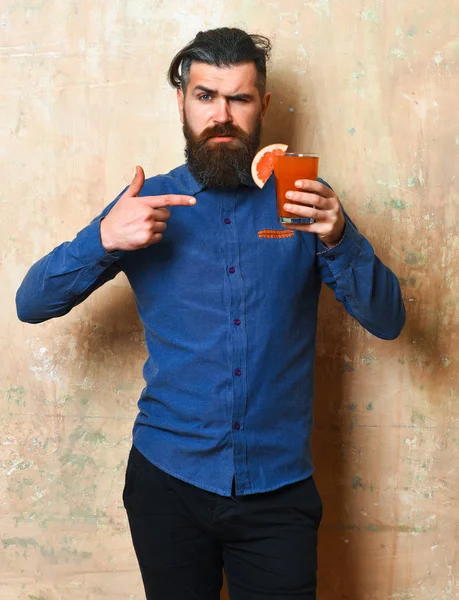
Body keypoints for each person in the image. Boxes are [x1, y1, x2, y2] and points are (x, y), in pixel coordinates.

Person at [16, 27, 405, 600]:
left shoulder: (303, 202)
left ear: (263, 105)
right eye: (205, 97)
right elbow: (31, 303)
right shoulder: (143, 206)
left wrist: (341, 237)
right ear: (182, 101)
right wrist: (102, 238)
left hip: (279, 490)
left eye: (239, 98)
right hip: (167, 482)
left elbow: (389, 319)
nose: (221, 116)